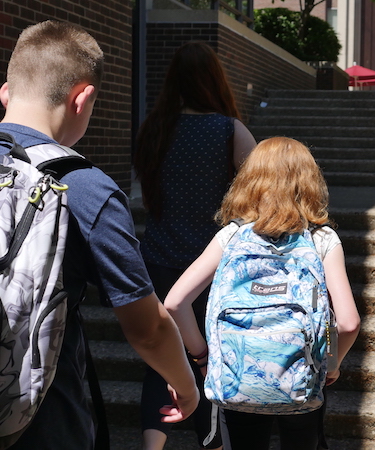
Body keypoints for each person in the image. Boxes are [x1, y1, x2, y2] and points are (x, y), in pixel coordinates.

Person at [0, 20, 199, 449]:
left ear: (5, 92)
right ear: (83, 98)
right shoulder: (87, 188)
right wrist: (185, 385)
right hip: (39, 422)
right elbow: (148, 329)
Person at [164, 136, 361, 450]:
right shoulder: (321, 239)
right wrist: (332, 364)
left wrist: (204, 358)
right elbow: (348, 323)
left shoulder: (232, 236)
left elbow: (175, 302)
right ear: (310, 183)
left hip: (237, 376)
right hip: (301, 377)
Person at [132, 41, 256, 450]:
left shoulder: (154, 128)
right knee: (210, 360)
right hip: (210, 265)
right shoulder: (228, 129)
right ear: (214, 81)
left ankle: (151, 445)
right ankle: (214, 443)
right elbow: (261, 191)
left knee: (159, 361)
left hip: (158, 257)